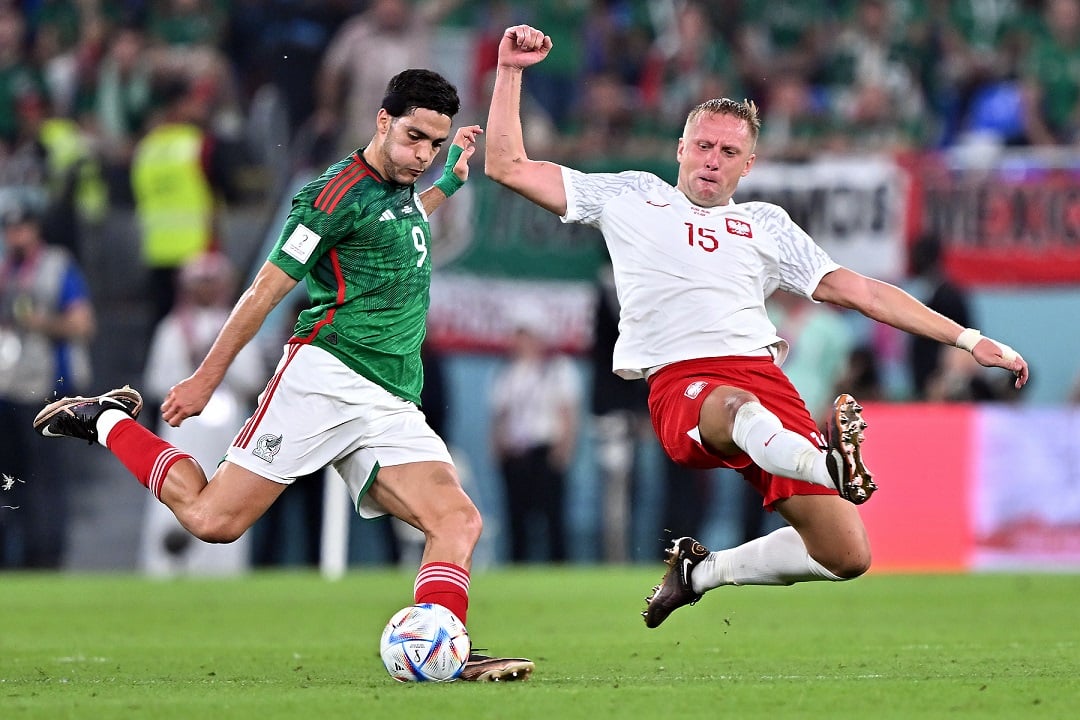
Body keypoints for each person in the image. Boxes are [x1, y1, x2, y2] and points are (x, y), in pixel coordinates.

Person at [483, 25, 1030, 628]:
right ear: (680, 148)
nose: (711, 161)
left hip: (768, 386)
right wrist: (510, 71)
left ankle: (699, 573)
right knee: (736, 405)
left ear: (748, 165)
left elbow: (864, 292)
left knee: (847, 555)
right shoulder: (631, 196)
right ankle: (831, 466)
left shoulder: (765, 225)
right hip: (685, 384)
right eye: (702, 146)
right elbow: (507, 166)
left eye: (727, 152)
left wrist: (969, 339)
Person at [33, 68, 533, 682]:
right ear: (381, 121)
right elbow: (264, 292)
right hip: (323, 379)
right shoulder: (329, 196)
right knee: (214, 520)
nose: (423, 155)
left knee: (458, 520)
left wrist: (447, 184)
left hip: (392, 398)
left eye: (435, 142)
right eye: (414, 138)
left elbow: (393, 230)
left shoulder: (404, 184)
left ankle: (443, 650)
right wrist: (205, 378)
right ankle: (107, 421)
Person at [0, 199, 95, 568]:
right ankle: (12, 556)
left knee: (45, 478)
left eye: (21, 228)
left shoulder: (57, 266)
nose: (15, 236)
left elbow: (83, 325)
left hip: (46, 389)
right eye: (9, 229)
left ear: (36, 229)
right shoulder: (6, 268)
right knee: (10, 477)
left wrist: (40, 323)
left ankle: (46, 555)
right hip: (6, 387)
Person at [489, 306, 581, 563]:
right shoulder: (507, 373)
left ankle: (558, 566)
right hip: (517, 453)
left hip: (546, 449)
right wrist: (498, 449)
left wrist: (564, 449)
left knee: (553, 515)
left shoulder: (557, 369)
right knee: (516, 516)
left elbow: (568, 413)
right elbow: (500, 415)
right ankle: (517, 564)